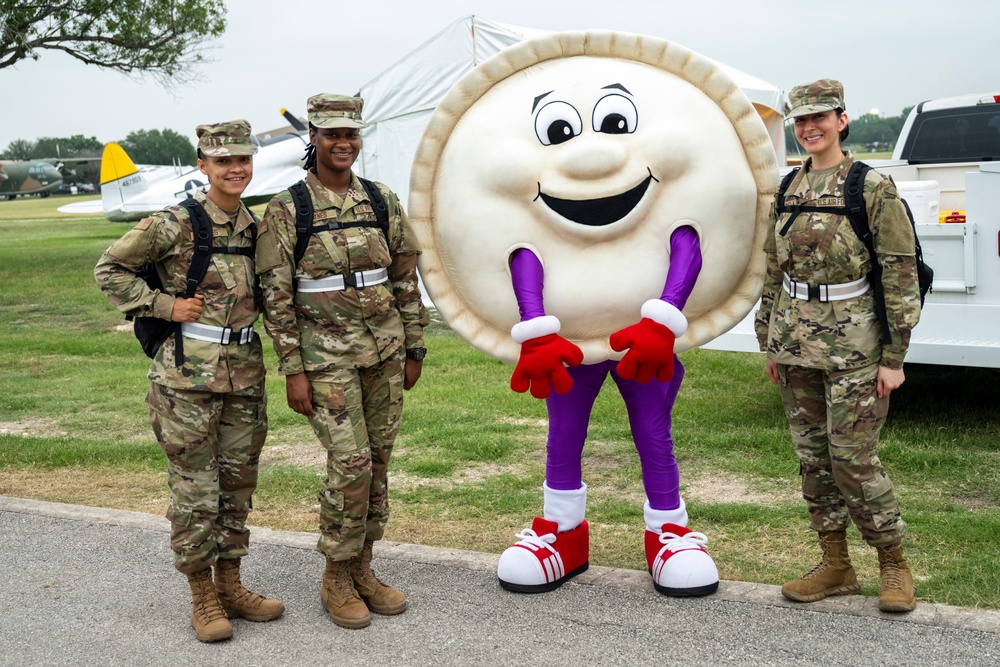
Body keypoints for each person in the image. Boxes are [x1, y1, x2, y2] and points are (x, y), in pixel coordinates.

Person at [95, 120, 284, 643]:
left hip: (244, 378)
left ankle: (231, 584)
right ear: (203, 166)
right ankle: (202, 595)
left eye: (243, 160)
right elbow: (109, 269)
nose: (235, 169)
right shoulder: (174, 223)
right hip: (185, 380)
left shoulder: (257, 227)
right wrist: (163, 305)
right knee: (195, 491)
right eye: (223, 161)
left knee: (237, 489)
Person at [255, 94, 428, 629]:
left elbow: (404, 277)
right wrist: (293, 369)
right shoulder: (289, 209)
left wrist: (415, 346)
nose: (342, 143)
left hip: (384, 353)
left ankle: (363, 569)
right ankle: (335, 574)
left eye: (350, 133)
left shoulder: (380, 200)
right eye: (331, 133)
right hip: (325, 360)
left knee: (377, 463)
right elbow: (275, 297)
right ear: (313, 136)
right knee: (349, 464)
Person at [754, 79, 922, 613]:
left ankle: (892, 563)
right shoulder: (788, 188)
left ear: (841, 120)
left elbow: (899, 271)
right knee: (813, 460)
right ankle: (836, 566)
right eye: (801, 121)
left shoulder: (870, 187)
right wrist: (769, 342)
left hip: (857, 346)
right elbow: (773, 270)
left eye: (820, 118)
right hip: (796, 343)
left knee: (853, 461)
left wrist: (895, 357)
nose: (810, 128)